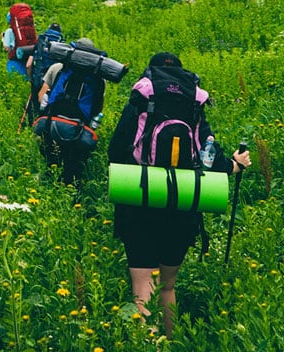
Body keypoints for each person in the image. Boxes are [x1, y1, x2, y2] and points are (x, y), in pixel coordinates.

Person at [107, 51, 251, 339]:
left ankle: (148, 345)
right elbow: (211, 160)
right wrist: (236, 165)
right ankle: (172, 343)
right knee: (168, 286)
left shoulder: (142, 98)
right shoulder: (193, 105)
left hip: (140, 201)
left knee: (143, 286)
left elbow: (116, 150)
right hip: (182, 203)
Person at [33, 37, 106, 185]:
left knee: (50, 163)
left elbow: (41, 96)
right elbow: (97, 108)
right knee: (73, 169)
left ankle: (46, 189)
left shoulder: (58, 68)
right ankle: (72, 193)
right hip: (78, 130)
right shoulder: (99, 79)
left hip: (51, 124)